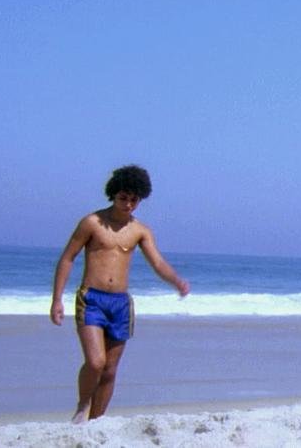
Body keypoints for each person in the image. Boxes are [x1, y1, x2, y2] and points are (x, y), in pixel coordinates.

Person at [50, 165, 190, 423]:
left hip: (121, 305)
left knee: (110, 370)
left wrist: (176, 281)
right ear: (113, 194)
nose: (128, 204)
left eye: (134, 200)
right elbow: (68, 258)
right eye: (123, 198)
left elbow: (158, 263)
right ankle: (83, 405)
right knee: (96, 362)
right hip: (91, 299)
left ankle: (97, 422)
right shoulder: (92, 223)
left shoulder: (140, 230)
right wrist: (57, 299)